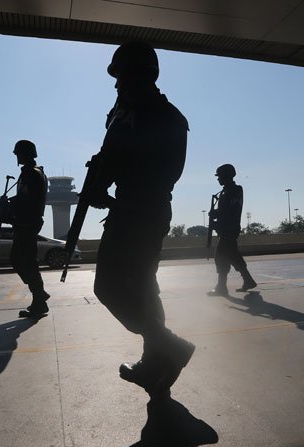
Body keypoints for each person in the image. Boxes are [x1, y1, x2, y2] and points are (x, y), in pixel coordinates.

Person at [88, 42, 195, 397]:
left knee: (109, 287)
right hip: (126, 209)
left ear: (141, 76)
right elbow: (111, 157)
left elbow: (164, 173)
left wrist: (116, 188)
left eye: (122, 77)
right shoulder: (123, 113)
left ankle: (169, 346)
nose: (116, 86)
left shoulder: (166, 116)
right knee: (145, 288)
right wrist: (100, 178)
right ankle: (155, 363)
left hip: (142, 212)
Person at [8, 139, 50, 318]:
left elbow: (27, 199)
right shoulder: (33, 172)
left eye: (19, 153)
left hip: (27, 221)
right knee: (22, 260)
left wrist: (9, 204)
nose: (17, 156)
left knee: (23, 260)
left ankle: (39, 297)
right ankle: (39, 294)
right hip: (27, 221)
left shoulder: (31, 173)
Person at [208, 164, 257, 295]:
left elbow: (230, 210)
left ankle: (222, 288)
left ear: (226, 176)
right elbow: (226, 209)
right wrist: (216, 214)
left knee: (222, 256)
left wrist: (216, 215)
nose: (218, 179)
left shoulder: (234, 190)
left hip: (229, 229)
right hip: (226, 229)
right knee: (232, 255)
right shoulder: (226, 191)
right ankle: (247, 280)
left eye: (220, 177)